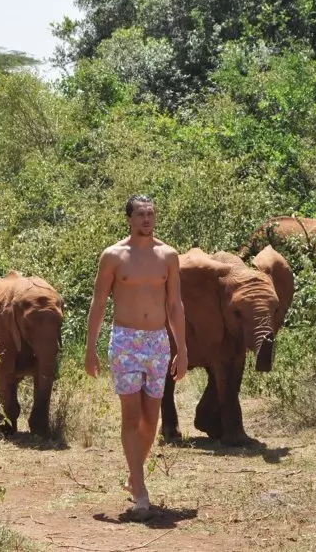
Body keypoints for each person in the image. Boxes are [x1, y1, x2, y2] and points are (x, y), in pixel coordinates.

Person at [85, 195, 187, 516]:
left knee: (151, 419)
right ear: (129, 218)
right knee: (131, 415)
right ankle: (141, 490)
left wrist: (181, 349)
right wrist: (90, 347)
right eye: (141, 214)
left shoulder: (168, 256)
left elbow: (174, 305)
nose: (147, 219)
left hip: (158, 341)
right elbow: (99, 303)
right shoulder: (113, 257)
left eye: (151, 214)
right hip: (126, 341)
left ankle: (133, 474)